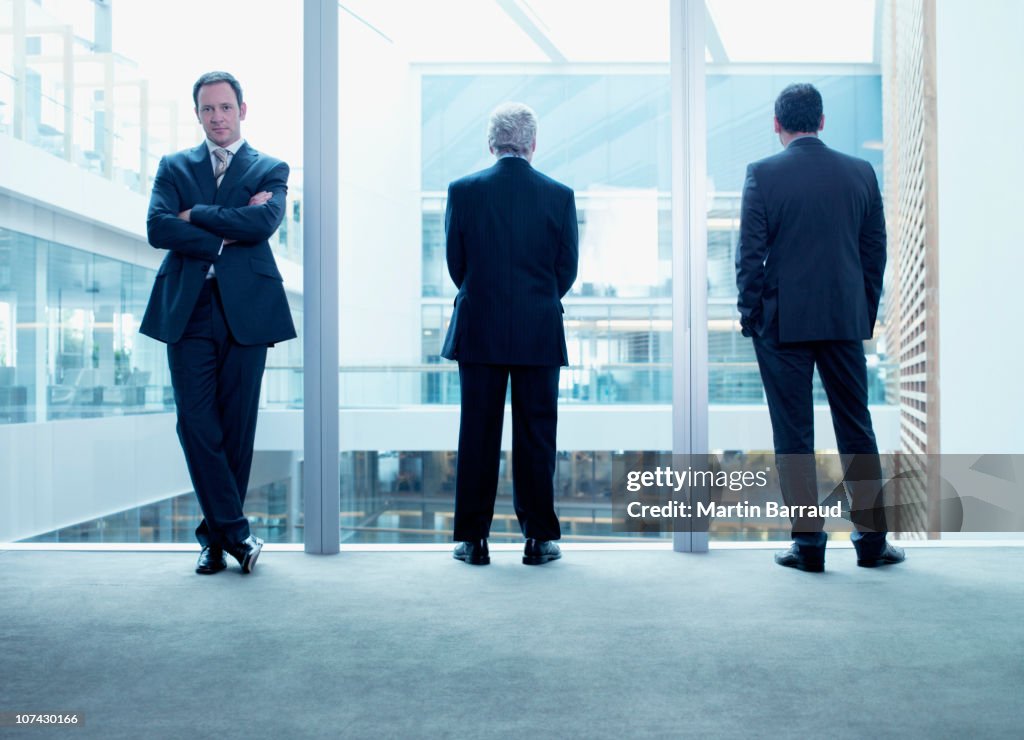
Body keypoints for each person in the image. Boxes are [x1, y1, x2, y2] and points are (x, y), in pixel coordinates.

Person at [735, 83, 905, 572]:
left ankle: (808, 547)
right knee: (856, 428)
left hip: (783, 323)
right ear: (822, 121)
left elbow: (749, 255)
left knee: (793, 434)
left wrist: (752, 316)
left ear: (776, 124)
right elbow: (875, 252)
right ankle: (872, 544)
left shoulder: (762, 173)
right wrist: (861, 311)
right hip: (842, 320)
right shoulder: (859, 172)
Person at [140, 71, 295, 575]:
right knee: (195, 423)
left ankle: (214, 541)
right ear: (197, 114)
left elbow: (264, 224)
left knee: (236, 427)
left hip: (247, 311)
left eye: (225, 108)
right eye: (208, 110)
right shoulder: (174, 165)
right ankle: (236, 532)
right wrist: (222, 233)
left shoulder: (271, 166)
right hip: (188, 308)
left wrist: (197, 215)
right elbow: (157, 228)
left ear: (242, 110)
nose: (217, 117)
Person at [442, 102, 579, 566]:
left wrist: (486, 294)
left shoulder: (462, 192)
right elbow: (567, 269)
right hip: (538, 330)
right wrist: (535, 299)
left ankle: (473, 541)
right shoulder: (559, 195)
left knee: (477, 434)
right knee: (537, 435)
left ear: (491, 144)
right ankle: (539, 540)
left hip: (479, 328)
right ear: (533, 145)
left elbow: (456, 265)